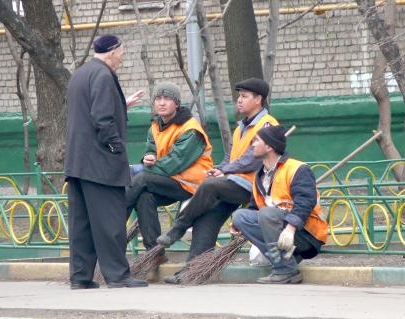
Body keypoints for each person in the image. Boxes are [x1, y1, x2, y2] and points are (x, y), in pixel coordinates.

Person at [157, 77, 279, 284]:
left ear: (258, 99)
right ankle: (192, 271)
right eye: (239, 96)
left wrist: (225, 171)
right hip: (235, 184)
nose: (239, 101)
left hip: (255, 186)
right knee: (206, 219)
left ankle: (179, 226)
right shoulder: (241, 127)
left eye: (244, 97)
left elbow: (252, 160)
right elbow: (230, 156)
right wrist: (221, 169)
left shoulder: (267, 125)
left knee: (210, 186)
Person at [65, 34, 148, 289]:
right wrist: (115, 147)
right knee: (110, 220)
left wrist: (122, 104)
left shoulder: (81, 73)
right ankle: (118, 275)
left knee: (82, 224)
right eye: (122, 52)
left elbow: (88, 110)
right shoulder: (103, 75)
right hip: (100, 163)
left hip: (78, 162)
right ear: (112, 51)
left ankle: (80, 277)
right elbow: (102, 119)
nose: (123, 57)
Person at [231, 125, 328, 284]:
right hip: (278, 229)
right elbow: (256, 209)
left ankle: (285, 270)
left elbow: (305, 202)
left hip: (306, 234)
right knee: (240, 217)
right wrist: (240, 227)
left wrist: (290, 228)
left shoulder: (297, 169)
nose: (252, 144)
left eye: (256, 141)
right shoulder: (260, 176)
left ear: (269, 146)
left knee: (267, 214)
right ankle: (287, 261)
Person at [125, 82, 213, 255]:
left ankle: (112, 225)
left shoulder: (190, 129)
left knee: (141, 179)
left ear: (177, 103)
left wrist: (146, 168)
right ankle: (154, 253)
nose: (162, 103)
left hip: (192, 185)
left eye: (167, 99)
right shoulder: (155, 126)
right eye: (158, 98)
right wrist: (148, 158)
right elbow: (151, 150)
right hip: (169, 181)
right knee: (144, 196)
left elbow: (174, 164)